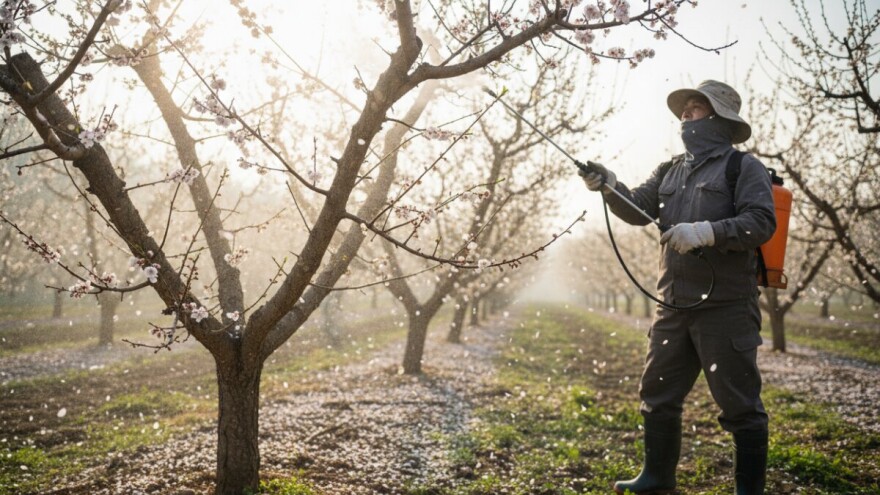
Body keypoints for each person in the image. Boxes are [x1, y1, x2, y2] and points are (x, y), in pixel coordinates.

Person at [579, 80, 775, 495]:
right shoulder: (671, 169)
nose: (686, 116)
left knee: (740, 405)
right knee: (657, 393)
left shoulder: (744, 168)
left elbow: (761, 222)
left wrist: (707, 231)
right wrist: (609, 185)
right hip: (672, 305)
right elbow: (638, 209)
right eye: (683, 112)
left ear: (720, 119)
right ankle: (657, 478)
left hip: (726, 306)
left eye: (696, 109)